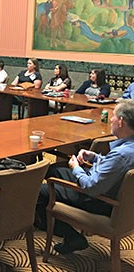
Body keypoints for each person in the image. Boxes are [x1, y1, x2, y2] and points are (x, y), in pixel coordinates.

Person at [35, 100, 134, 254]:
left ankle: (71, 235)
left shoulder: (120, 155)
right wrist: (94, 158)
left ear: (121, 122)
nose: (111, 120)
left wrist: (76, 168)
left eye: (113, 116)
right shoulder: (128, 149)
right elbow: (114, 168)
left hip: (99, 200)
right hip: (120, 199)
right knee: (54, 169)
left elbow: (90, 187)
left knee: (38, 193)